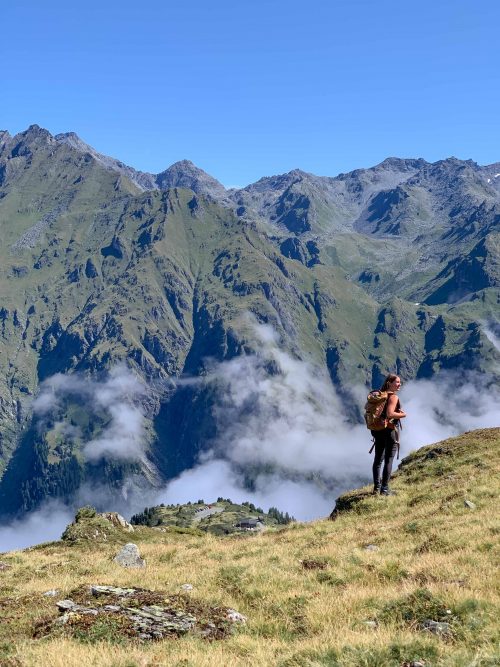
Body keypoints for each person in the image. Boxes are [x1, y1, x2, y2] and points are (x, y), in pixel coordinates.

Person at [372, 373, 406, 495]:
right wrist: (403, 414)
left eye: (399, 382)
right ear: (389, 383)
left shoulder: (379, 396)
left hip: (377, 430)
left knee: (378, 460)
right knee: (388, 459)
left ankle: (376, 488)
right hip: (389, 430)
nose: (399, 384)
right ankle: (384, 490)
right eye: (397, 382)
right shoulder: (393, 397)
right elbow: (390, 414)